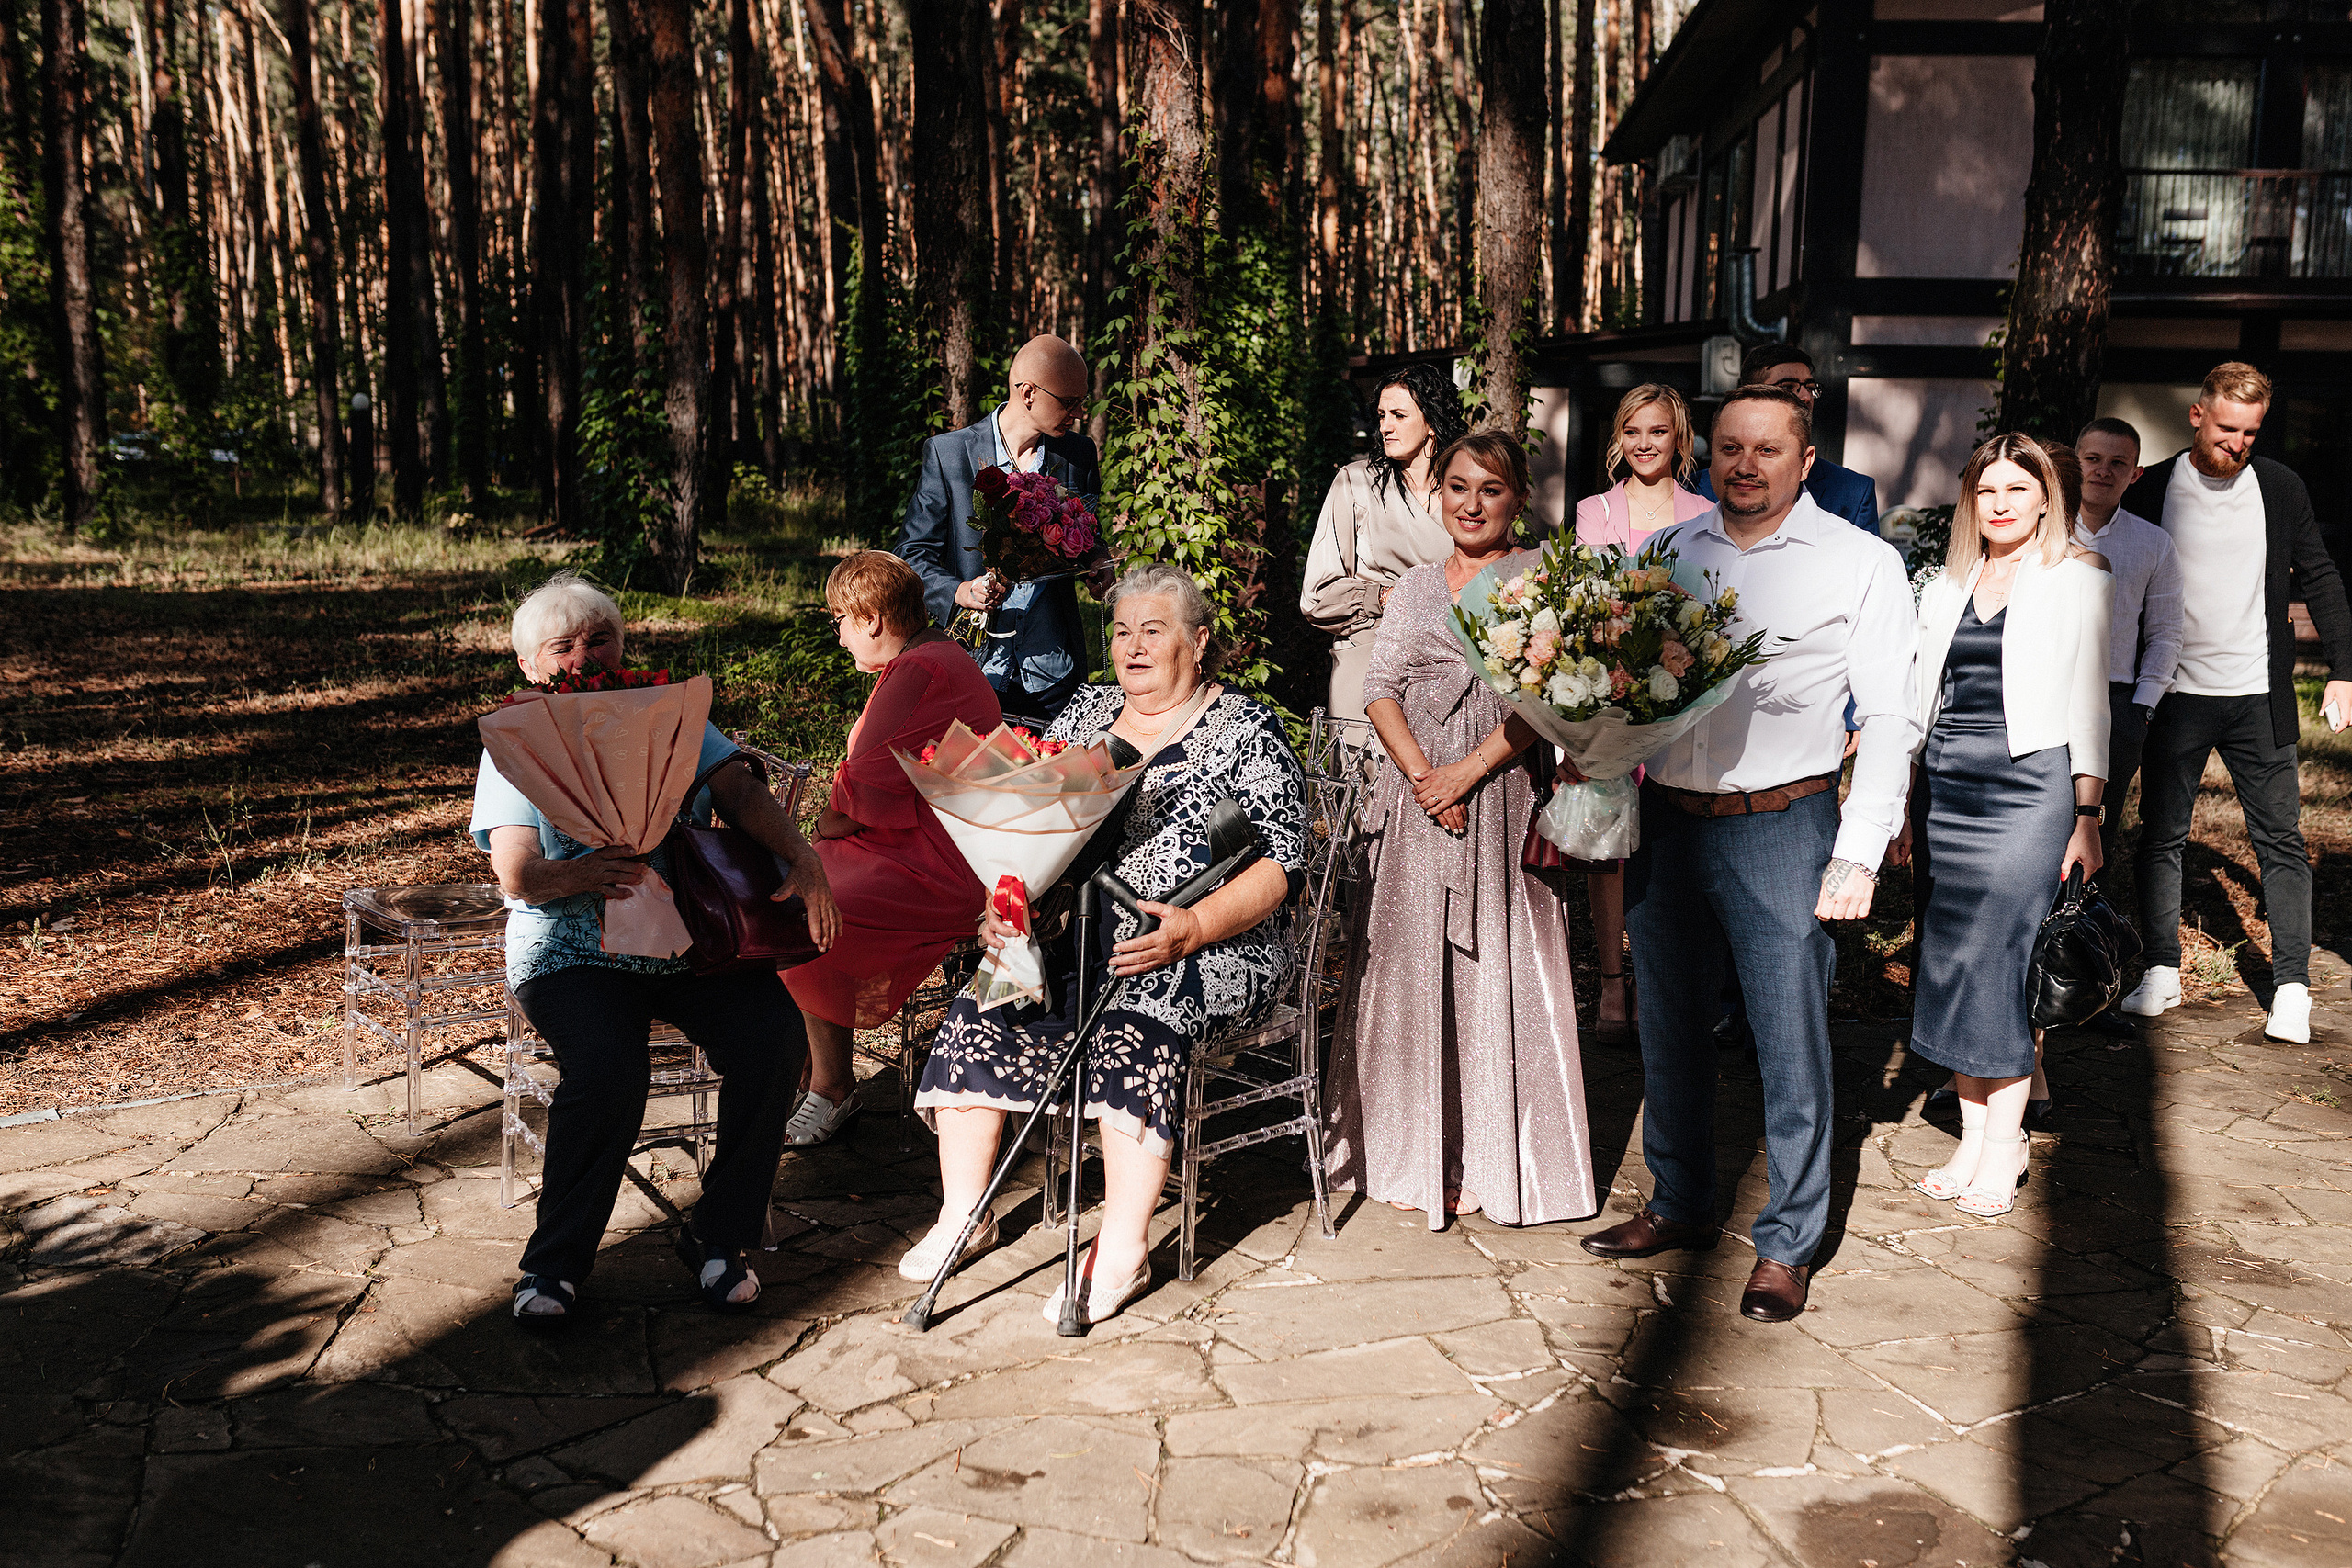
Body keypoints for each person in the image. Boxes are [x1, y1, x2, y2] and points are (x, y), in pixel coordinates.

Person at [1581, 387, 1920, 1324]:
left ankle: (1788, 1242)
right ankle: (1682, 1201)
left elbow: (1891, 715)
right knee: (1671, 1028)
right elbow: (1630, 687)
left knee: (1788, 1040)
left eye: (1765, 450)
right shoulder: (1668, 553)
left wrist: (1859, 848)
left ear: (1804, 461)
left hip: (1784, 823)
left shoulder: (1860, 564)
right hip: (1669, 821)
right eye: (1728, 447)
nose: (1743, 464)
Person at [907, 562, 1310, 1325]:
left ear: (1198, 640)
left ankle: (1123, 1247)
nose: (1132, 645)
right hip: (1071, 928)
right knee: (989, 988)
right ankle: (966, 1213)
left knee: (1141, 1015)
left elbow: (1279, 866)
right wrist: (1004, 908)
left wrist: (1191, 927)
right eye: (1121, 629)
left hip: (1205, 941)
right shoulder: (1085, 712)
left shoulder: (1246, 728)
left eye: (1153, 630)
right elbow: (1020, 828)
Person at [472, 572, 842, 1327]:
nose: (583, 655)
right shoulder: (519, 741)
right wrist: (579, 872)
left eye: (599, 638)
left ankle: (719, 1237)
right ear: (529, 665)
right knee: (609, 1070)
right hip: (570, 948)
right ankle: (555, 1264)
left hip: (684, 942)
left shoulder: (663, 713)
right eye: (563, 645)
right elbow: (515, 871)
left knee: (773, 1038)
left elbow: (737, 789)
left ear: (623, 645)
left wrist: (803, 859)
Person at [1325, 431, 1596, 1228]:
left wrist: (1464, 775)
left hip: (1503, 792)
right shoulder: (1412, 584)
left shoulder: (1541, 577)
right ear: (1437, 494)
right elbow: (1380, 689)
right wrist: (1422, 779)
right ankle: (1415, 1152)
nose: (1471, 504)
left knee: (1498, 972)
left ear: (1518, 500)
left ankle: (1499, 1161)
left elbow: (1549, 699)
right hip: (1415, 807)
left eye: (1491, 490)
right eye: (1457, 487)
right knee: (1414, 971)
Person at [1896, 435, 2110, 1220]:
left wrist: (2087, 814)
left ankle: (2005, 1144)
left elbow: (2092, 701)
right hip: (1947, 789)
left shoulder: (2078, 578)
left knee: (2001, 960)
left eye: (2017, 489)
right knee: (1951, 959)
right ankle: (1972, 1135)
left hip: (2031, 790)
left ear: (2047, 497)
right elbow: (1922, 699)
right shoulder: (1947, 581)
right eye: (1987, 490)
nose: (2000, 503)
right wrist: (1902, 802)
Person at [2117, 363, 2352, 1044]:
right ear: (2197, 416)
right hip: (2173, 694)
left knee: (2281, 841)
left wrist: (2345, 666)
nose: (2238, 443)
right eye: (2226, 429)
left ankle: (2292, 987)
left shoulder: (2279, 488)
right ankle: (2160, 968)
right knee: (2160, 836)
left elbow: (2320, 573)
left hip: (2258, 695)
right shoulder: (2153, 487)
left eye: (2251, 432)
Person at [779, 552, 1004, 1147]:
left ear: (872, 617)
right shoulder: (928, 659)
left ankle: (831, 1086)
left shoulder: (921, 670)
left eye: (840, 620)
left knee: (807, 906)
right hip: (923, 842)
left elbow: (861, 794)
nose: (839, 633)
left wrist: (819, 834)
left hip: (943, 863)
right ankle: (811, 1069)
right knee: (793, 888)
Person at [1571, 383, 1713, 1044]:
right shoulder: (1593, 510)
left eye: (1658, 431)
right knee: (1607, 844)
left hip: (1682, 700)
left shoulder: (1704, 510)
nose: (1645, 443)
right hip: (1607, 696)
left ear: (1678, 438)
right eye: (1634, 431)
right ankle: (1609, 980)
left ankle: (1664, 980)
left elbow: (1710, 608)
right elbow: (1583, 603)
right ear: (1618, 439)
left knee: (1669, 842)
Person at [899, 335, 1101, 727]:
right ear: (1027, 392)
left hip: (1053, 671)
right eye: (1069, 402)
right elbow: (912, 553)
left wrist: (1098, 561)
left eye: (1081, 402)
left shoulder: (1078, 455)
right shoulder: (949, 454)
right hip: (974, 670)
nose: (1078, 413)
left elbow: (1089, 534)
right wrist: (959, 591)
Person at [1299, 363, 1466, 723]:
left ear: (1432, 423)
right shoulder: (1355, 482)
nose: (1385, 426)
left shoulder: (1464, 491)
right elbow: (1317, 595)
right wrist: (1386, 597)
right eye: (1381, 415)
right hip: (1369, 653)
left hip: (1450, 662)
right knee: (1366, 775)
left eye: (1398, 415)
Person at [2075, 417, 2183, 896]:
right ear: (2074, 463)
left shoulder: (2154, 543)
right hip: (2041, 694)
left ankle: (2080, 941)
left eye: (2118, 463)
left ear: (2136, 474)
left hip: (2116, 702)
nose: (2103, 471)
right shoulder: (2039, 531)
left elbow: (2165, 634)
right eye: (2093, 459)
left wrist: (2142, 707)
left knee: (2099, 825)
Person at [1695, 344, 1881, 535]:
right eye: (1788, 387)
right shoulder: (1693, 488)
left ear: (1807, 461)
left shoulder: (1852, 492)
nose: (1806, 396)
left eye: (1810, 388)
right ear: (1750, 393)